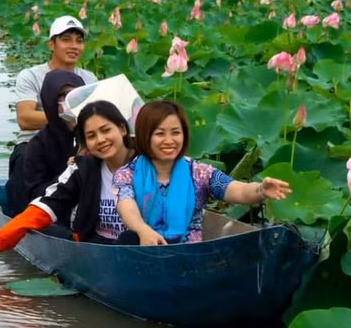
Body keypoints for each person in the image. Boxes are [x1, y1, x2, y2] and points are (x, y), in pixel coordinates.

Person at [0, 101, 136, 268]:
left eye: (106, 130)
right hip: (97, 248)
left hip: (142, 246)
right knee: (38, 227)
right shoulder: (83, 168)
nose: (101, 140)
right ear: (85, 143)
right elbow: (46, 205)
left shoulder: (146, 164)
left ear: (122, 129)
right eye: (91, 136)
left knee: (130, 238)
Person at [113, 100, 292, 246]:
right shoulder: (126, 174)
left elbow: (235, 189)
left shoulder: (198, 172)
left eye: (176, 132)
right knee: (127, 239)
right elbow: (126, 206)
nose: (169, 141)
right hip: (143, 254)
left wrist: (260, 190)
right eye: (160, 134)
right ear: (145, 136)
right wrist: (143, 231)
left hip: (189, 258)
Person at [4, 15, 98, 216]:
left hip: (77, 143)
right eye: (66, 40)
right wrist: (67, 116)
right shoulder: (31, 76)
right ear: (51, 44)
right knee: (23, 158)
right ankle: (21, 218)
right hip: (35, 144)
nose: (74, 46)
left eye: (79, 41)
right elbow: (25, 118)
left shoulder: (89, 78)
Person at [21, 70, 85, 214]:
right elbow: (34, 194)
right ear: (51, 101)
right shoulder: (38, 145)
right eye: (63, 95)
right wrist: (67, 174)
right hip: (56, 211)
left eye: (75, 95)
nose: (70, 100)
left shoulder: (95, 134)